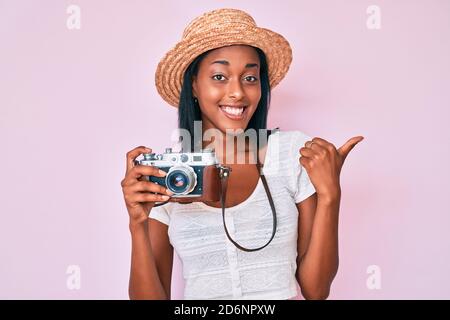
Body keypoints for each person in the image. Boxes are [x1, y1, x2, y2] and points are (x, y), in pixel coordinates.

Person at [120, 8, 363, 300]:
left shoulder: (291, 154)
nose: (237, 92)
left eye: (250, 78)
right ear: (194, 85)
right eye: (220, 76)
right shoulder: (170, 174)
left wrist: (330, 196)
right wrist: (137, 224)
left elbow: (316, 290)